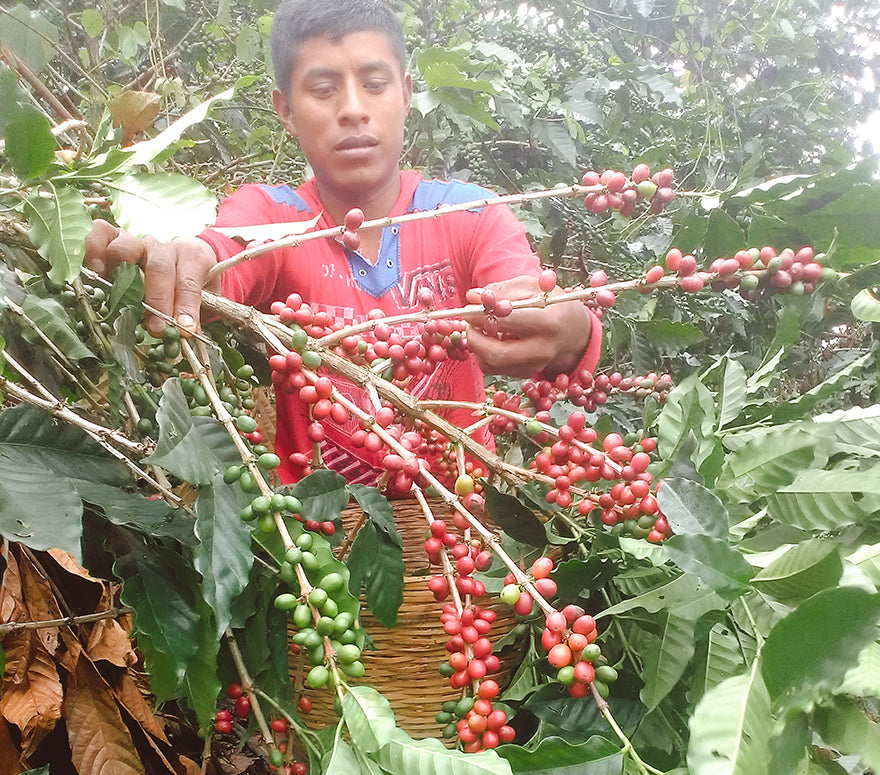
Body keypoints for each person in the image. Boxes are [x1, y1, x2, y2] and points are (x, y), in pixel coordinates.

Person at [85, 0, 601, 486]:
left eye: (374, 84)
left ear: (405, 94)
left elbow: (532, 303)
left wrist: (573, 329)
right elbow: (225, 254)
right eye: (323, 89)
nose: (353, 109)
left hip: (463, 534)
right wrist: (180, 264)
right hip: (319, 540)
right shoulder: (274, 218)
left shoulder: (469, 215)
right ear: (286, 110)